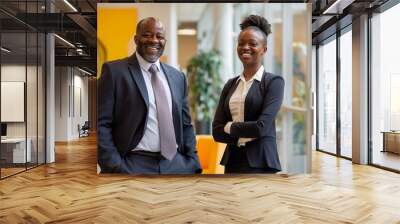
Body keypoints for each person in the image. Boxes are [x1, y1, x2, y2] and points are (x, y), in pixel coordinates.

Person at [98, 17, 201, 174]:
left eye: (159, 36)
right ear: (136, 39)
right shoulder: (114, 72)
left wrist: (192, 161)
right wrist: (115, 166)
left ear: (165, 41)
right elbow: (102, 124)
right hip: (133, 164)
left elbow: (186, 124)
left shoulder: (178, 77)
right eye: (147, 35)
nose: (154, 40)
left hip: (175, 165)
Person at [212, 15, 284, 174]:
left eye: (252, 44)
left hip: (261, 162)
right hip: (232, 160)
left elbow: (261, 127)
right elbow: (216, 131)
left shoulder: (274, 82)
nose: (245, 47)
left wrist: (229, 126)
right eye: (241, 43)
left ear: (264, 49)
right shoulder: (231, 84)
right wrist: (243, 135)